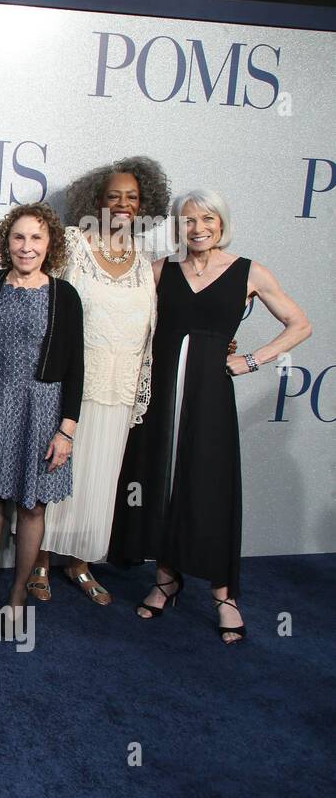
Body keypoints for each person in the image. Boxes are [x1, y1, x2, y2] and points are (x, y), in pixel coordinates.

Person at [112, 189, 311, 643]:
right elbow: (128, 323)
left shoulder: (249, 272)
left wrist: (253, 359)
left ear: (221, 223)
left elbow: (300, 323)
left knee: (209, 486)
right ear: (178, 226)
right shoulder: (161, 270)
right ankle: (166, 581)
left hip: (210, 396)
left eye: (207, 219)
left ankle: (224, 595)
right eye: (188, 220)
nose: (198, 228)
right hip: (160, 394)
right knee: (162, 484)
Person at [32, 157, 164, 605]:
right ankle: (39, 561)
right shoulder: (72, 244)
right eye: (114, 196)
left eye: (133, 197)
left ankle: (80, 563)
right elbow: (41, 301)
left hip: (119, 387)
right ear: (97, 201)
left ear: (144, 204)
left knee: (101, 480)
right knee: (56, 472)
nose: (124, 204)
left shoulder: (144, 262)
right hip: (71, 386)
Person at [0, 203, 83, 609]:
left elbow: (76, 366)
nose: (27, 246)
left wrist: (66, 431)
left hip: (42, 410)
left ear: (50, 244)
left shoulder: (64, 295)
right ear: (6, 242)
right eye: (19, 237)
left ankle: (17, 593)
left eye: (36, 238)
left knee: (32, 507)